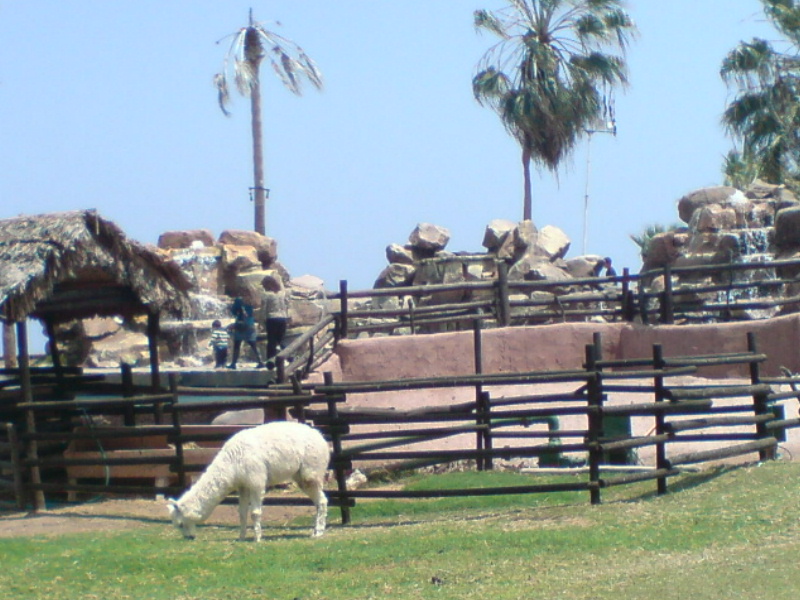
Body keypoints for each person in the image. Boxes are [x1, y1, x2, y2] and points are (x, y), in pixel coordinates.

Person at [260, 276, 289, 369]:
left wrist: (262, 321)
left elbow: (264, 309)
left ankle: (270, 362)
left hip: (272, 318)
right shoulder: (282, 293)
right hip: (283, 318)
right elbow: (287, 305)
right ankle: (289, 356)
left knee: (271, 341)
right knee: (281, 340)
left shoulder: (266, 294)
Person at [227, 297, 264, 369]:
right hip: (250, 324)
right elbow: (251, 312)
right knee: (253, 344)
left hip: (240, 325)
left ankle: (233, 363)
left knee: (237, 344)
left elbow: (233, 311)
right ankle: (260, 362)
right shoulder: (250, 300)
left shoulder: (238, 300)